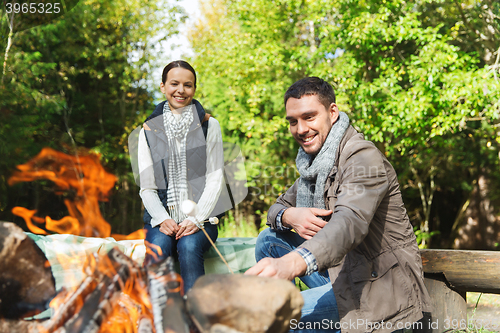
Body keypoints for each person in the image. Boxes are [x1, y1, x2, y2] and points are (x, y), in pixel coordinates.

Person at [245, 77, 432, 333]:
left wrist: (291, 264)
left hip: (377, 285)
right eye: (292, 121)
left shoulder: (362, 157)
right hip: (340, 270)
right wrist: (291, 215)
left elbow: (349, 223)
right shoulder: (315, 165)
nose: (300, 129)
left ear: (332, 113)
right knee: (269, 238)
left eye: (309, 117)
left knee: (275, 317)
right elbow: (276, 208)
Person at [137, 60, 224, 292]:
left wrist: (195, 219)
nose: (181, 90)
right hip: (160, 218)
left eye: (188, 85)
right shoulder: (147, 130)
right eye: (174, 83)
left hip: (202, 218)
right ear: (163, 86)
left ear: (194, 89)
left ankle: (195, 318)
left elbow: (215, 180)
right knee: (159, 247)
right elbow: (147, 187)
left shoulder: (209, 125)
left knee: (188, 246)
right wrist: (162, 219)